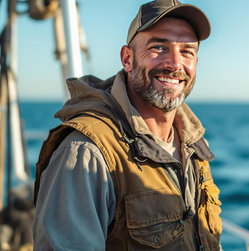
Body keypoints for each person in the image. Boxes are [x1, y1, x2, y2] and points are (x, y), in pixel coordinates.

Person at [33, 0, 222, 250]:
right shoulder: (86, 154)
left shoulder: (194, 144)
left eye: (187, 51)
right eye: (158, 47)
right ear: (127, 59)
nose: (175, 64)